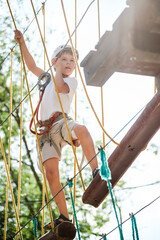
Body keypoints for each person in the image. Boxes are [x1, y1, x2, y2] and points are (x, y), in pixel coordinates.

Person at [14, 29, 99, 227]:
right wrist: (22, 43)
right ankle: (64, 216)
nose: (69, 63)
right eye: (64, 59)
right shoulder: (48, 78)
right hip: (45, 132)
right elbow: (31, 65)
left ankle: (96, 171)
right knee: (51, 173)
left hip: (61, 122)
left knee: (82, 130)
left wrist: (57, 72)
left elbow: (60, 88)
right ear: (55, 60)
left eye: (72, 61)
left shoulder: (70, 80)